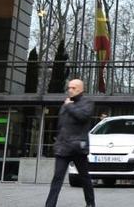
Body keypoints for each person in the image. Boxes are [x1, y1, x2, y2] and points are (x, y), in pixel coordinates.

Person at [45, 78, 95, 207]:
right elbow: (61, 125)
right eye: (69, 88)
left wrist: (69, 106)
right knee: (57, 178)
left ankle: (90, 204)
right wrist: (57, 141)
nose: (70, 90)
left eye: (74, 88)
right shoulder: (66, 104)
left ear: (81, 89)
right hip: (62, 148)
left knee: (84, 178)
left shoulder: (87, 102)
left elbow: (83, 116)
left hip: (77, 148)